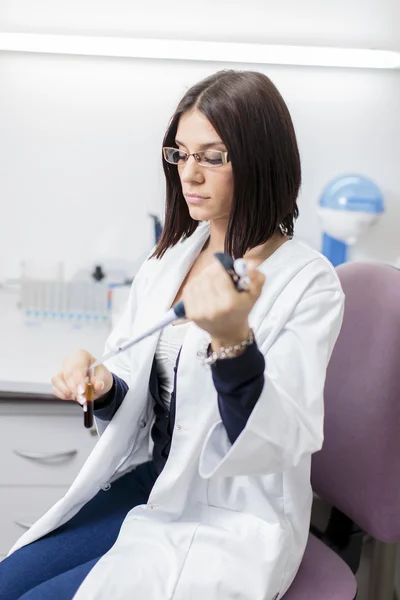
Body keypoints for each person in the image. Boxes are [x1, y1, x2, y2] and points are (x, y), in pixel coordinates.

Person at [0, 70, 344, 600]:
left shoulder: (308, 282)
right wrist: (103, 384)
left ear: (259, 159)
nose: (191, 174)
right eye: (180, 154)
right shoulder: (169, 260)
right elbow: (141, 389)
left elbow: (281, 437)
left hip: (226, 511)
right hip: (151, 480)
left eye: (212, 156)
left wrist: (232, 341)